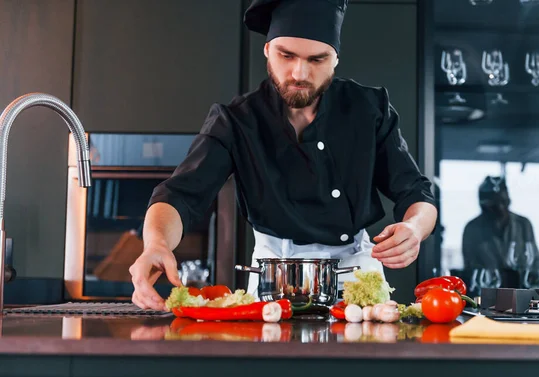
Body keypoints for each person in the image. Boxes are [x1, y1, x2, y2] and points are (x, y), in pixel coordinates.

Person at [129, 0, 438, 311]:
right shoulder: (236, 121)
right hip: (272, 279)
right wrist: (156, 245)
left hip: (355, 274)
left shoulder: (369, 109)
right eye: (286, 55)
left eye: (317, 59)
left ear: (335, 60)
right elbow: (179, 196)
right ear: (266, 50)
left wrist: (413, 229)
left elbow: (416, 193)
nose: (299, 73)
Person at [461, 176, 539, 289]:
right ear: (483, 206)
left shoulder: (523, 224)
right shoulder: (472, 229)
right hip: (489, 295)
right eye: (494, 206)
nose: (500, 208)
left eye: (504, 202)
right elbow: (471, 270)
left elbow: (536, 261)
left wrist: (534, 278)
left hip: (521, 291)